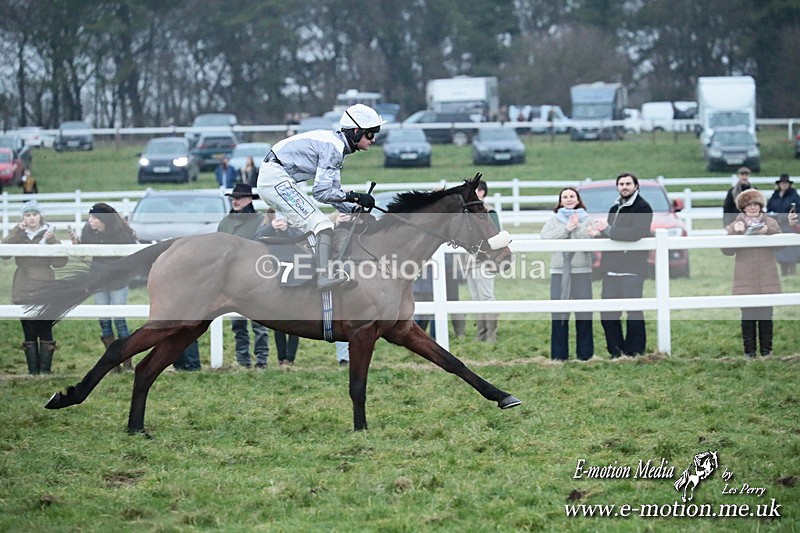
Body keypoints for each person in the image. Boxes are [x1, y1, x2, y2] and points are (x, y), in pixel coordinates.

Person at [256, 103, 386, 291]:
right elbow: (321, 193)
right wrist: (355, 197)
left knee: (321, 223)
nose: (373, 140)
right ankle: (324, 277)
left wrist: (354, 209)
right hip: (275, 180)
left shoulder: (336, 147)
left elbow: (332, 192)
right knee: (322, 224)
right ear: (356, 131)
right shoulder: (333, 148)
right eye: (370, 134)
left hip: (277, 179)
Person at [1, 201, 67, 374]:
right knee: (28, 327)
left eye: (34, 214)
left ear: (40, 216)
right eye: (28, 215)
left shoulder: (48, 234)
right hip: (23, 283)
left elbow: (61, 262)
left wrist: (52, 241)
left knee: (44, 326)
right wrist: (16, 232)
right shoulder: (19, 234)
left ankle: (45, 371)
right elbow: (4, 253)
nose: (31, 218)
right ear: (23, 218)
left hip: (44, 283)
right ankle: (33, 372)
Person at [593, 173, 653, 358]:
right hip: (611, 269)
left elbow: (636, 233)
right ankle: (616, 352)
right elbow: (612, 235)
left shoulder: (643, 208)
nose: (624, 187)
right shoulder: (615, 207)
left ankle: (635, 352)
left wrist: (608, 230)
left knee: (634, 313)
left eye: (628, 183)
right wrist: (598, 234)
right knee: (608, 314)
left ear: (636, 186)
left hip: (632, 269)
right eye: (621, 184)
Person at [70, 203, 137, 371]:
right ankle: (112, 362)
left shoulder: (121, 233)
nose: (90, 221)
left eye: (94, 218)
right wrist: (77, 244)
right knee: (104, 320)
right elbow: (86, 251)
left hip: (117, 280)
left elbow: (130, 255)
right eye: (90, 217)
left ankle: (127, 360)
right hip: (98, 280)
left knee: (120, 319)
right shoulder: (88, 230)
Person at [540, 187, 599, 360]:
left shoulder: (588, 219)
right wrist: (566, 228)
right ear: (560, 201)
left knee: (584, 314)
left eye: (572, 196)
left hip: (582, 271)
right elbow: (546, 238)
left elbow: (590, 239)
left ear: (578, 199)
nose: (568, 199)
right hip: (559, 272)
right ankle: (559, 356)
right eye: (565, 196)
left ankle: (585, 355)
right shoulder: (553, 220)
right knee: (559, 314)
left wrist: (576, 226)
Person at [722, 189, 782, 357]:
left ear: (761, 206)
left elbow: (782, 244)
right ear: (743, 207)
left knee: (766, 314)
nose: (753, 208)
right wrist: (735, 232)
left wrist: (768, 232)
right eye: (749, 205)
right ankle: (749, 352)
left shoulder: (770, 222)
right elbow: (726, 250)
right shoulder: (736, 223)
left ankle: (766, 351)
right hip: (745, 276)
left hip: (766, 274)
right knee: (748, 315)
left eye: (756, 204)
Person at [218, 183, 270, 369]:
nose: (236, 201)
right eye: (234, 198)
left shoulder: (260, 221)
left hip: (255, 279)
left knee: (259, 323)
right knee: (237, 324)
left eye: (239, 198)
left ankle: (261, 361)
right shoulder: (225, 222)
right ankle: (243, 361)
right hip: (232, 281)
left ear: (249, 199)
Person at [256, 209, 303, 368]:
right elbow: (257, 236)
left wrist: (287, 230)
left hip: (293, 275)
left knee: (295, 319)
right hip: (274, 274)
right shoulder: (266, 223)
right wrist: (271, 227)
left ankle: (290, 359)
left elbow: (301, 236)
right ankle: (281, 358)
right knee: (279, 321)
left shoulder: (293, 222)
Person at [465, 180, 501, 342]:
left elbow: (495, 234)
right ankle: (481, 333)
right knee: (476, 298)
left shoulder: (489, 212)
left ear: (483, 193)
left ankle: (491, 334)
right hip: (469, 261)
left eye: (476, 191)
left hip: (485, 259)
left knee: (487, 296)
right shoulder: (467, 213)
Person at [766, 174, 800, 275]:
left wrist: (785, 217)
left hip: (789, 225)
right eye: (782, 183)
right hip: (778, 225)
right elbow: (769, 208)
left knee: (791, 249)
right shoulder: (775, 196)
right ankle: (783, 271)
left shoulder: (794, 196)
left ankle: (792, 270)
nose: (784, 185)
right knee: (780, 249)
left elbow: (797, 210)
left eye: (786, 183)